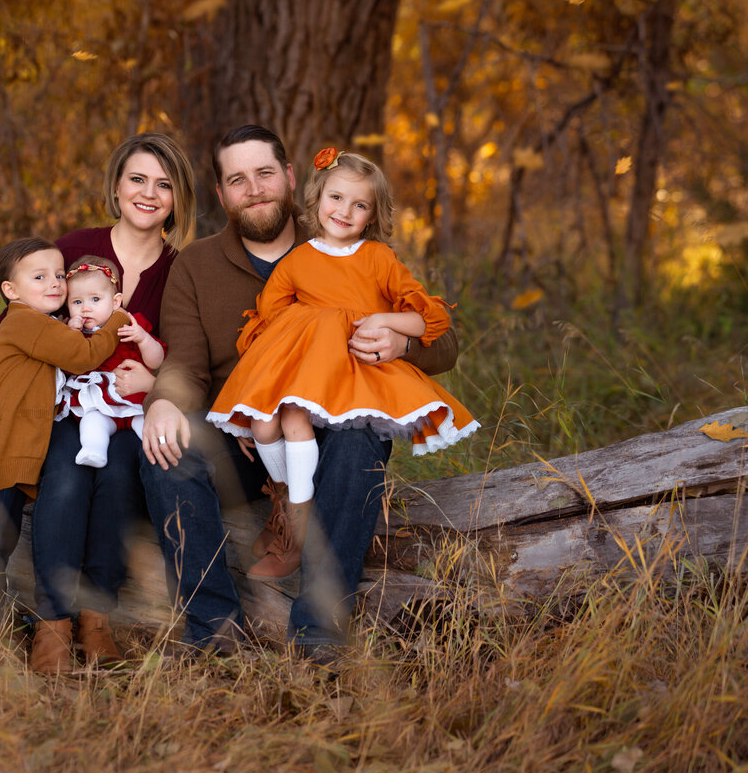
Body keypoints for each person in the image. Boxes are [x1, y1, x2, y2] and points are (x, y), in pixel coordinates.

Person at [140, 125, 460, 657]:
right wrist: (165, 403)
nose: (255, 188)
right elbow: (187, 365)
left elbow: (443, 339)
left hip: (331, 433)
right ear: (221, 194)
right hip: (246, 437)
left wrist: (400, 348)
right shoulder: (195, 266)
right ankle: (215, 632)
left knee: (359, 438)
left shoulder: (356, 248)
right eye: (237, 180)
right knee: (169, 450)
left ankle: (318, 632)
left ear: (289, 177)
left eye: (264, 173)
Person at [0, 133, 196, 671]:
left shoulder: (180, 269)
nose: (149, 193)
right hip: (64, 402)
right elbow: (10, 320)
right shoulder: (72, 247)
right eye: (137, 179)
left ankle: (97, 621)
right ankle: (53, 625)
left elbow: (185, 356)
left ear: (178, 197)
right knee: (65, 473)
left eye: (164, 184)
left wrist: (155, 388)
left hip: (131, 414)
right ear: (116, 186)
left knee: (116, 478)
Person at [207, 150, 478, 580]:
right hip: (307, 374)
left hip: (356, 377)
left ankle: (299, 534)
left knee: (327, 436)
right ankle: (290, 507)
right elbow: (269, 323)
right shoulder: (297, 262)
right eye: (336, 198)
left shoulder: (378, 259)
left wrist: (387, 322)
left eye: (359, 205)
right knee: (264, 425)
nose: (345, 211)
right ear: (315, 199)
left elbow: (428, 320)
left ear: (372, 215)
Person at [0, 238, 129, 670]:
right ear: (10, 292)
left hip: (17, 454)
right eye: (39, 277)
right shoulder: (24, 323)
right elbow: (83, 356)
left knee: (0, 539)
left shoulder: (42, 323)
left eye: (57, 275)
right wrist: (117, 321)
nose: (54, 284)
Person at [58, 255, 166, 467]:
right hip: (98, 405)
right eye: (77, 302)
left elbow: (157, 361)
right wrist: (71, 335)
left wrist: (143, 338)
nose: (86, 308)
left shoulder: (130, 325)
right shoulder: (74, 333)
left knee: (147, 422)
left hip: (135, 401)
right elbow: (66, 364)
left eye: (95, 299)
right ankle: (94, 450)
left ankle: (157, 445)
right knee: (91, 423)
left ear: (116, 302)